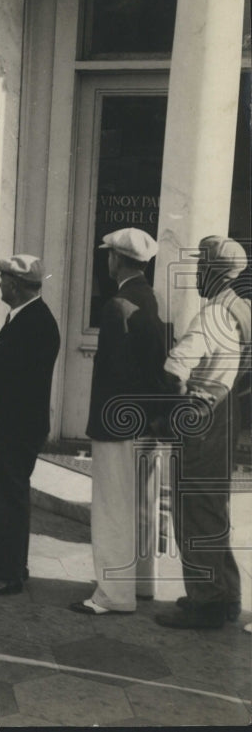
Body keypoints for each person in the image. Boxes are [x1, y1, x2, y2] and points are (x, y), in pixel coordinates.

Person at [155, 236, 251, 630]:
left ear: (211, 271)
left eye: (200, 266)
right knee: (213, 507)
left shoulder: (211, 315)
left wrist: (176, 414)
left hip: (202, 415)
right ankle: (225, 594)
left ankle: (206, 602)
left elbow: (174, 369)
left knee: (194, 510)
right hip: (227, 411)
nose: (195, 272)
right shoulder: (243, 309)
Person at [70, 228, 165, 616]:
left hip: (117, 426)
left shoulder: (116, 305)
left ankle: (112, 595)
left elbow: (113, 374)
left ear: (117, 260)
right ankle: (141, 583)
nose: (105, 260)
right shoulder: (149, 298)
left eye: (108, 254)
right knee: (142, 506)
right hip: (146, 423)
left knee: (112, 509)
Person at [0, 255, 61, 596]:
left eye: (3, 279)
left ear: (16, 285)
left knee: (8, 496)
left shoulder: (33, 322)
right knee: (8, 494)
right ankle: (9, 563)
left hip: (15, 426)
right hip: (14, 424)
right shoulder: (26, 317)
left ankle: (7, 574)